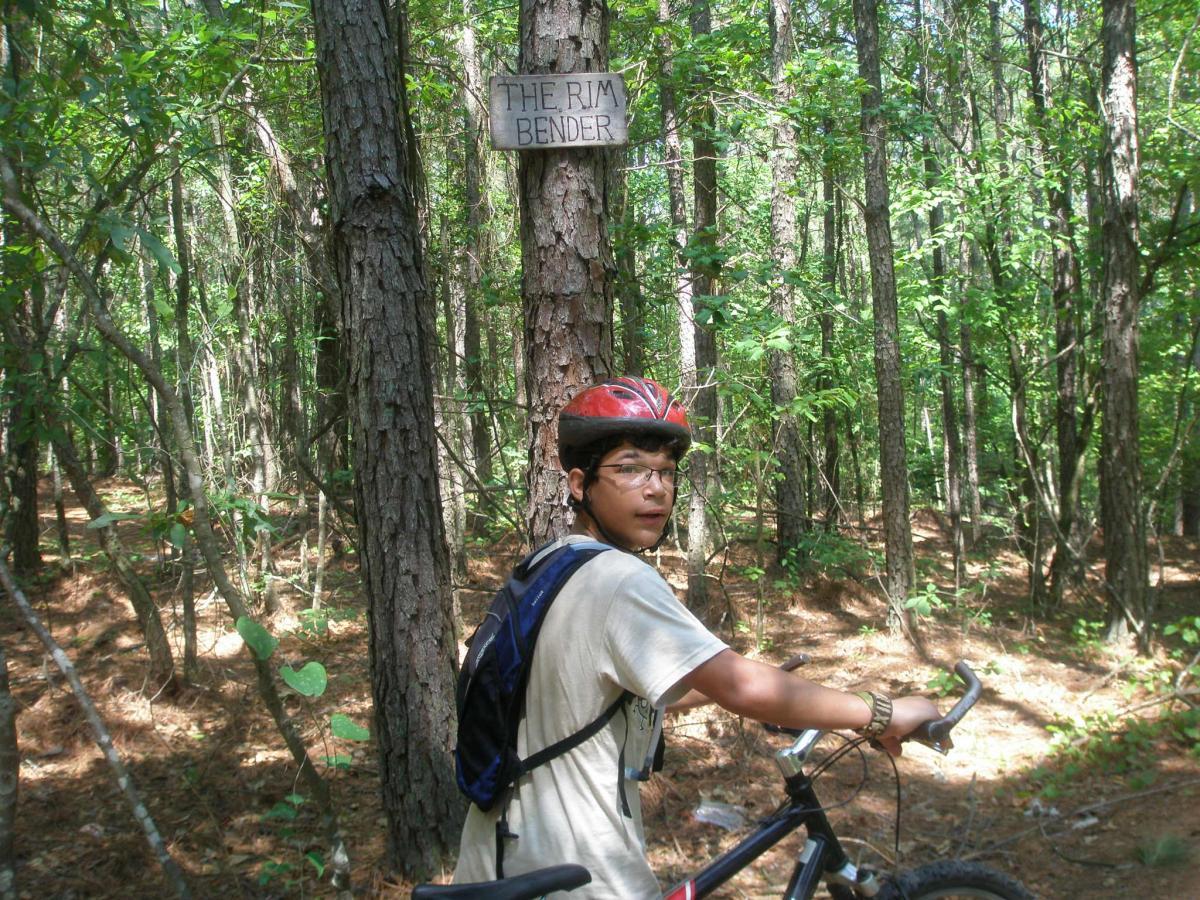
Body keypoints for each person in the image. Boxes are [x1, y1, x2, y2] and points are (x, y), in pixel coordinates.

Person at [453, 376, 939, 898]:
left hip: (500, 855)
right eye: (631, 468)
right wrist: (881, 712)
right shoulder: (620, 579)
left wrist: (731, 681)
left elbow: (592, 695)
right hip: (578, 874)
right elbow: (741, 687)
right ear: (579, 483)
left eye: (665, 471)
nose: (656, 486)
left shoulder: (551, 565)